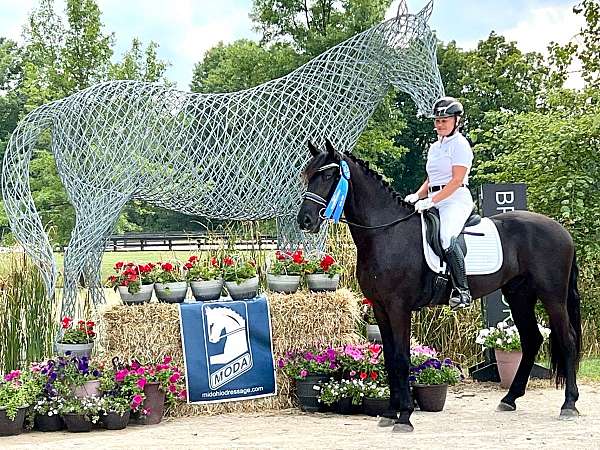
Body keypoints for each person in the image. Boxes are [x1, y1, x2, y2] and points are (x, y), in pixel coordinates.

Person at [404, 96, 474, 310]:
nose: (440, 124)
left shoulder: (461, 145)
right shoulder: (435, 147)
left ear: (456, 121)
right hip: (435, 198)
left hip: (456, 199)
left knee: (446, 238)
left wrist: (430, 201)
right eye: (437, 120)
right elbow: (431, 179)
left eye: (445, 120)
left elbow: (455, 180)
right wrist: (417, 195)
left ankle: (462, 291)